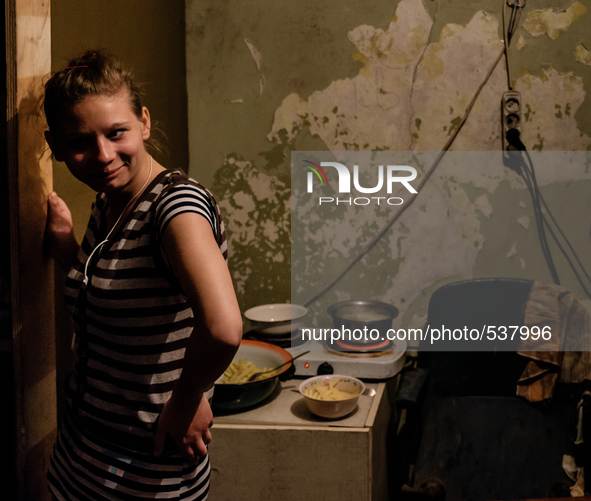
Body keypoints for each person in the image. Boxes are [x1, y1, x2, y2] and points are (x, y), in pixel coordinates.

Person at [43, 50, 242, 501]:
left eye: (117, 133)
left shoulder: (174, 209)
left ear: (144, 123)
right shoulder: (110, 201)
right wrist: (66, 251)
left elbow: (224, 328)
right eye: (79, 142)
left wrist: (188, 397)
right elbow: (121, 305)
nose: (103, 155)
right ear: (54, 146)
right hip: (81, 452)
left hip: (145, 471)